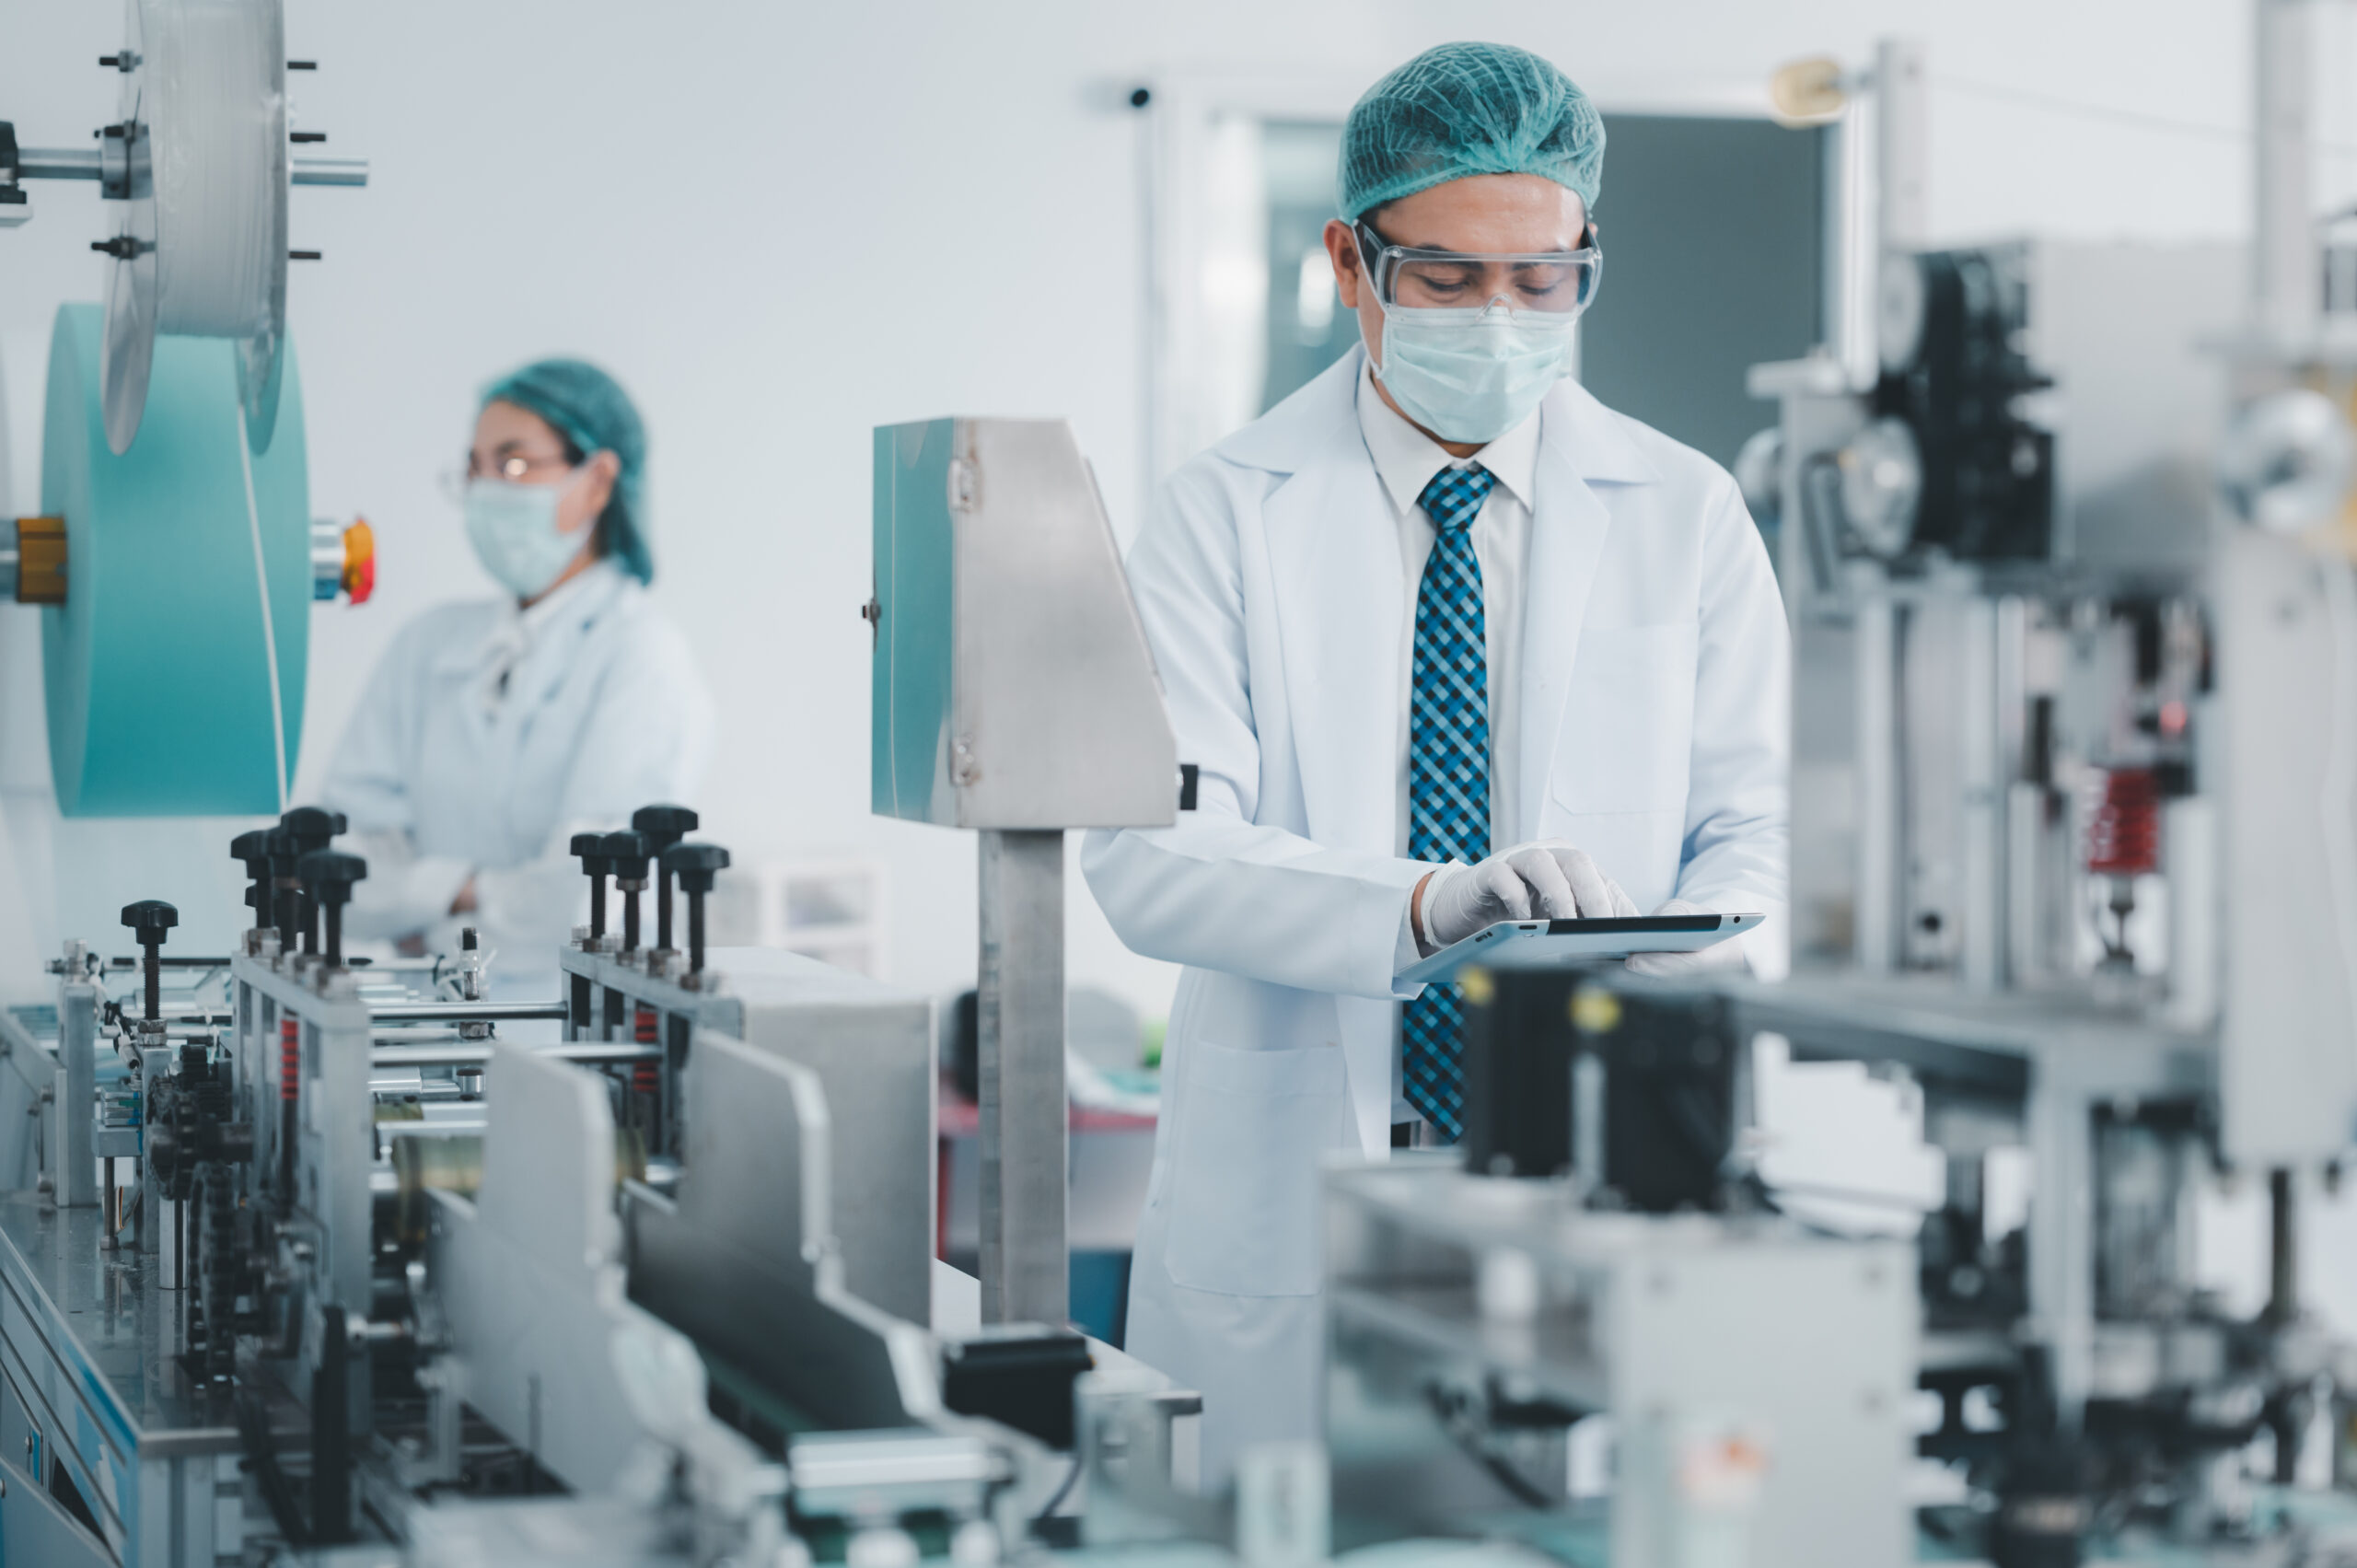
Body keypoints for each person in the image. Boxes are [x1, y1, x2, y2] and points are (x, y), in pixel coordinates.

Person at [1081, 42, 1789, 1477]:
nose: (1502, 319)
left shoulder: (1684, 509)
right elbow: (1149, 851)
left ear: (1587, 258)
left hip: (1592, 1169)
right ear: (1353, 262)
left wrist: (1645, 965)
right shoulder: (1226, 512)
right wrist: (1422, 908)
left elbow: (1759, 831)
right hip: (1302, 1186)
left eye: (1542, 281)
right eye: (1449, 280)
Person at [322, 358, 714, 982]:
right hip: (424, 1025)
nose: (485, 491)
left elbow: (590, 898)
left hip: (568, 1034)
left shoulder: (640, 654)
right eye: (474, 469)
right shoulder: (427, 644)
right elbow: (337, 868)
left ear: (598, 480)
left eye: (513, 464)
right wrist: (468, 891)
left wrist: (423, 907)